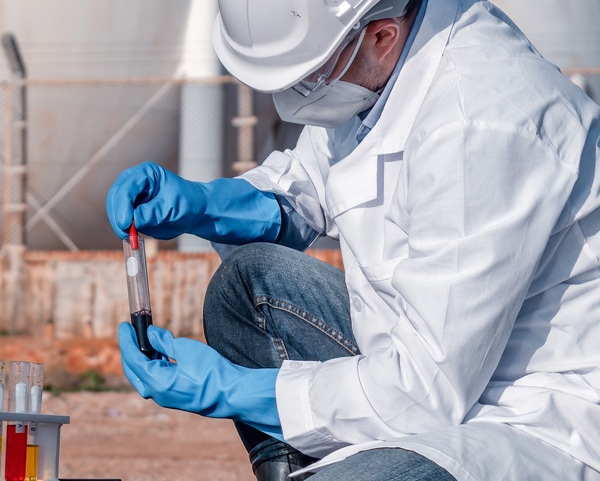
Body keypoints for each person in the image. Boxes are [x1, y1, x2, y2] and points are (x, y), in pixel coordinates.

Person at [106, 0, 600, 479]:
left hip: (531, 415)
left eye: (305, 77)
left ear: (382, 35)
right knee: (249, 285)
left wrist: (235, 390)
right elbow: (310, 187)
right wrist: (206, 205)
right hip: (427, 359)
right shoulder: (370, 62)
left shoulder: (481, 123)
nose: (290, 100)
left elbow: (424, 392)